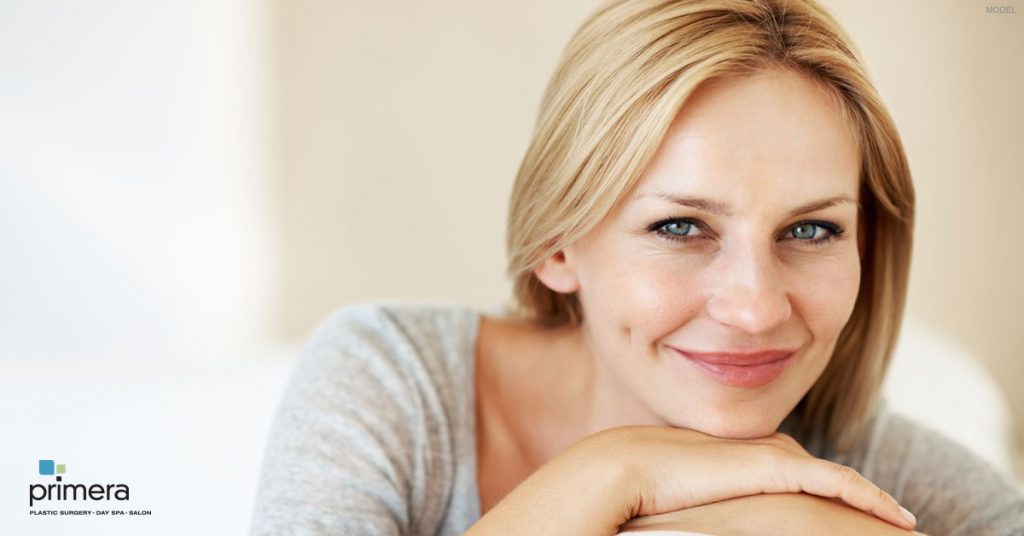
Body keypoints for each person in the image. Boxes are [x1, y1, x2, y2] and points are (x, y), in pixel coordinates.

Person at [250, 0, 1024, 534]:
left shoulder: (888, 474)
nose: (755, 307)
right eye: (681, 226)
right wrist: (611, 475)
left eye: (813, 229)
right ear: (557, 243)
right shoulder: (394, 388)